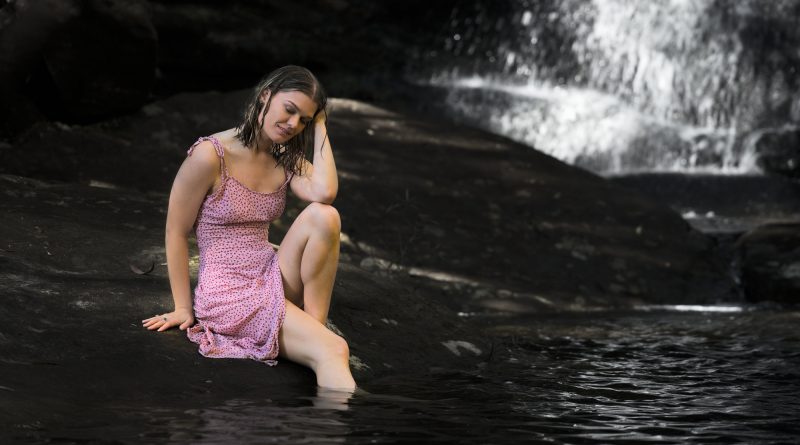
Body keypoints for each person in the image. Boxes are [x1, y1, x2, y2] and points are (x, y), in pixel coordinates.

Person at [141, 65, 356, 390]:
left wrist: (322, 123)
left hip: (269, 272)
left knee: (325, 216)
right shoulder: (210, 155)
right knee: (335, 349)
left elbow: (324, 193)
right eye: (289, 110)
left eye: (305, 120)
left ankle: (314, 328)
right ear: (265, 97)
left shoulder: (284, 154)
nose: (294, 124)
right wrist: (183, 307)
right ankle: (319, 358)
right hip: (228, 291)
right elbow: (175, 231)